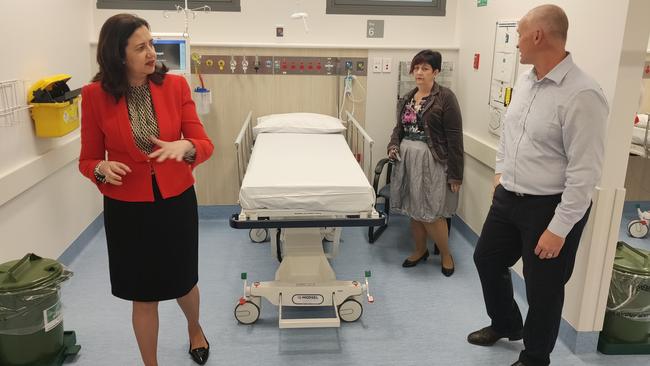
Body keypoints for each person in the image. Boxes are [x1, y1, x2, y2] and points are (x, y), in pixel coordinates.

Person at [467, 5, 608, 366]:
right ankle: (506, 323)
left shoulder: (583, 95)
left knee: (543, 287)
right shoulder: (527, 79)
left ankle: (535, 357)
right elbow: (511, 133)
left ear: (538, 36)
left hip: (549, 207)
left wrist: (560, 229)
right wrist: (500, 173)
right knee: (486, 259)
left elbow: (585, 173)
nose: (516, 42)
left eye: (519, 34)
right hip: (509, 198)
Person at [78, 14, 214, 366]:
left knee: (184, 281)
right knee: (143, 295)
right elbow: (88, 159)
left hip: (175, 201)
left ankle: (194, 329)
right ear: (118, 55)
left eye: (151, 44)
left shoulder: (176, 87)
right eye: (141, 47)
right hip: (127, 208)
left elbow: (203, 142)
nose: (152, 53)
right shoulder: (94, 96)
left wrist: (184, 147)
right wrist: (101, 169)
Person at [387, 50, 464, 276]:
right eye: (416, 68)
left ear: (436, 72)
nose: (419, 72)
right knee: (414, 210)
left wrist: (456, 175)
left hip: (432, 162)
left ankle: (446, 254)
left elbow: (454, 138)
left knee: (431, 213)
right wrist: (393, 146)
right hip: (407, 161)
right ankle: (420, 250)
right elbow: (398, 130)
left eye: (425, 68)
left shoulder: (446, 98)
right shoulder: (408, 98)